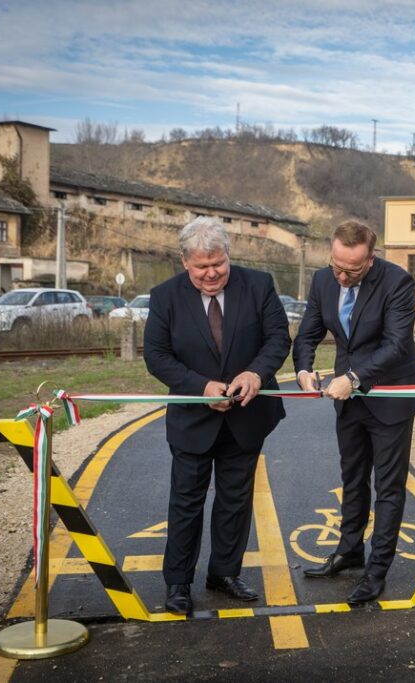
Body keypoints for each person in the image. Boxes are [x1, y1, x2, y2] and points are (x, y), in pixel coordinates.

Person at [144, 216, 291, 614]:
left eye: (218, 264)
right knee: (186, 502)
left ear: (229, 254)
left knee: (235, 500)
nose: (211, 273)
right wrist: (200, 387)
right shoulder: (165, 297)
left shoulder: (259, 285)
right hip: (193, 420)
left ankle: (224, 572)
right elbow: (157, 357)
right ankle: (178, 583)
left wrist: (255, 373)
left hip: (247, 417)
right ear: (184, 262)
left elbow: (279, 339)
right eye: (201, 267)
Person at [293, 220, 415, 604]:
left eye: (351, 269)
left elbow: (397, 344)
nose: (342, 275)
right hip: (348, 400)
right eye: (336, 266)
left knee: (388, 488)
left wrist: (352, 376)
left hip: (391, 398)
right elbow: (307, 334)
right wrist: (303, 369)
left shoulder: (397, 283)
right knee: (352, 478)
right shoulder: (322, 281)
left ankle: (377, 571)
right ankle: (350, 551)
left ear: (371, 258)